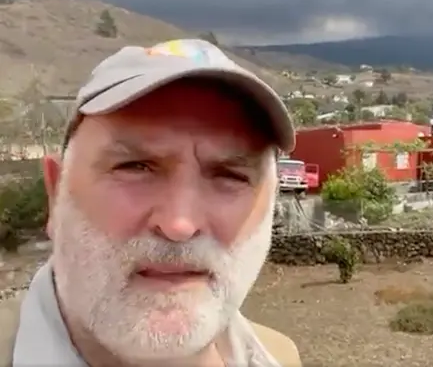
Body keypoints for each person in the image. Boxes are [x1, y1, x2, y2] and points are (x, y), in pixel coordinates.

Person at [0, 39, 302, 367]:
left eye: (229, 175)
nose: (179, 225)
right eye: (135, 167)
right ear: (56, 193)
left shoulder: (279, 355)